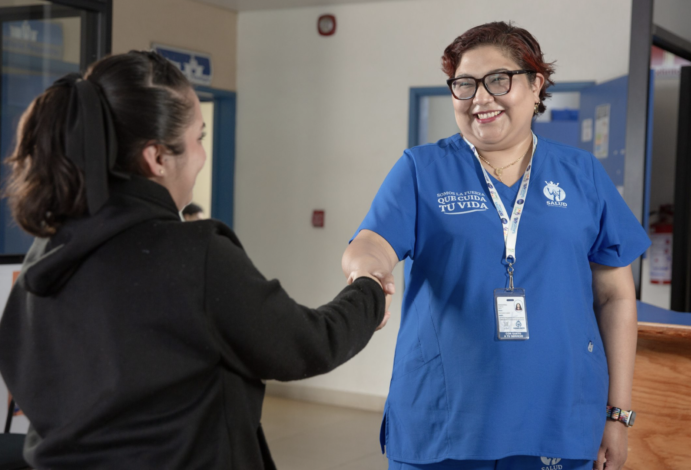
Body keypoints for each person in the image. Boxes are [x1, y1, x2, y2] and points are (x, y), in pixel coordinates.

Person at [0, 51, 390, 470]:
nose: (203, 156)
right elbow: (308, 344)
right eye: (198, 138)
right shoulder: (192, 255)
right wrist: (369, 290)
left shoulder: (46, 253)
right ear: (157, 158)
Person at [342, 22, 650, 470]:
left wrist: (617, 415)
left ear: (536, 85)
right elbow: (371, 241)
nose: (480, 98)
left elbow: (615, 297)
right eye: (464, 84)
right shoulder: (421, 169)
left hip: (560, 415)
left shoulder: (582, 174)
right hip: (444, 417)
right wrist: (368, 271)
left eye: (498, 80)